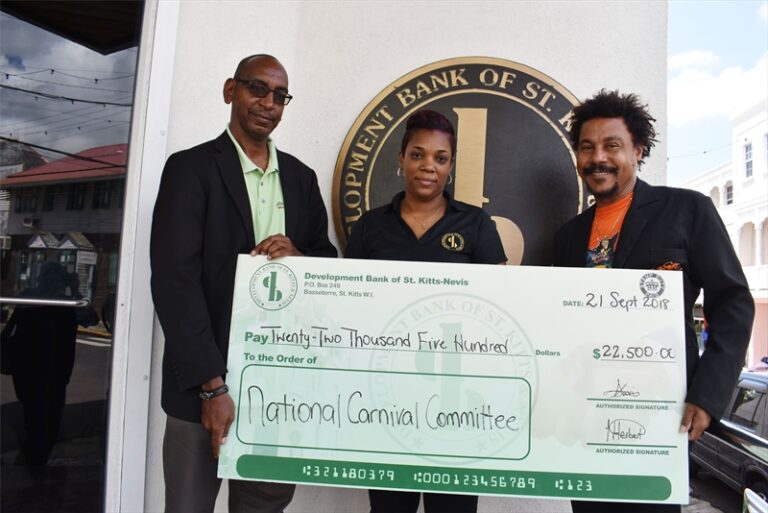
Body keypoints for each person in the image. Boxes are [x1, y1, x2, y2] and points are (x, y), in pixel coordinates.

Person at [150, 54, 337, 513]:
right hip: (201, 386)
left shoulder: (301, 178)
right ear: (230, 90)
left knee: (264, 506)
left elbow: (326, 265)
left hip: (278, 390)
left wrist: (300, 258)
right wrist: (212, 387)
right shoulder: (190, 169)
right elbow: (175, 282)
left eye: (280, 96)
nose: (269, 103)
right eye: (258, 88)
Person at [552, 89, 754, 513]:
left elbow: (733, 302)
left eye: (612, 145)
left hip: (662, 413)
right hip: (585, 415)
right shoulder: (568, 236)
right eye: (587, 147)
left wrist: (708, 396)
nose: (598, 158)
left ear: (638, 150)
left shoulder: (687, 210)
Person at [345, 109, 507, 513]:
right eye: (417, 155)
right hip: (386, 398)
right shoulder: (370, 226)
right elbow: (349, 305)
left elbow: (501, 307)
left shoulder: (476, 224)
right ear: (400, 158)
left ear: (451, 167)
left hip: (459, 401)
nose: (428, 166)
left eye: (440, 158)